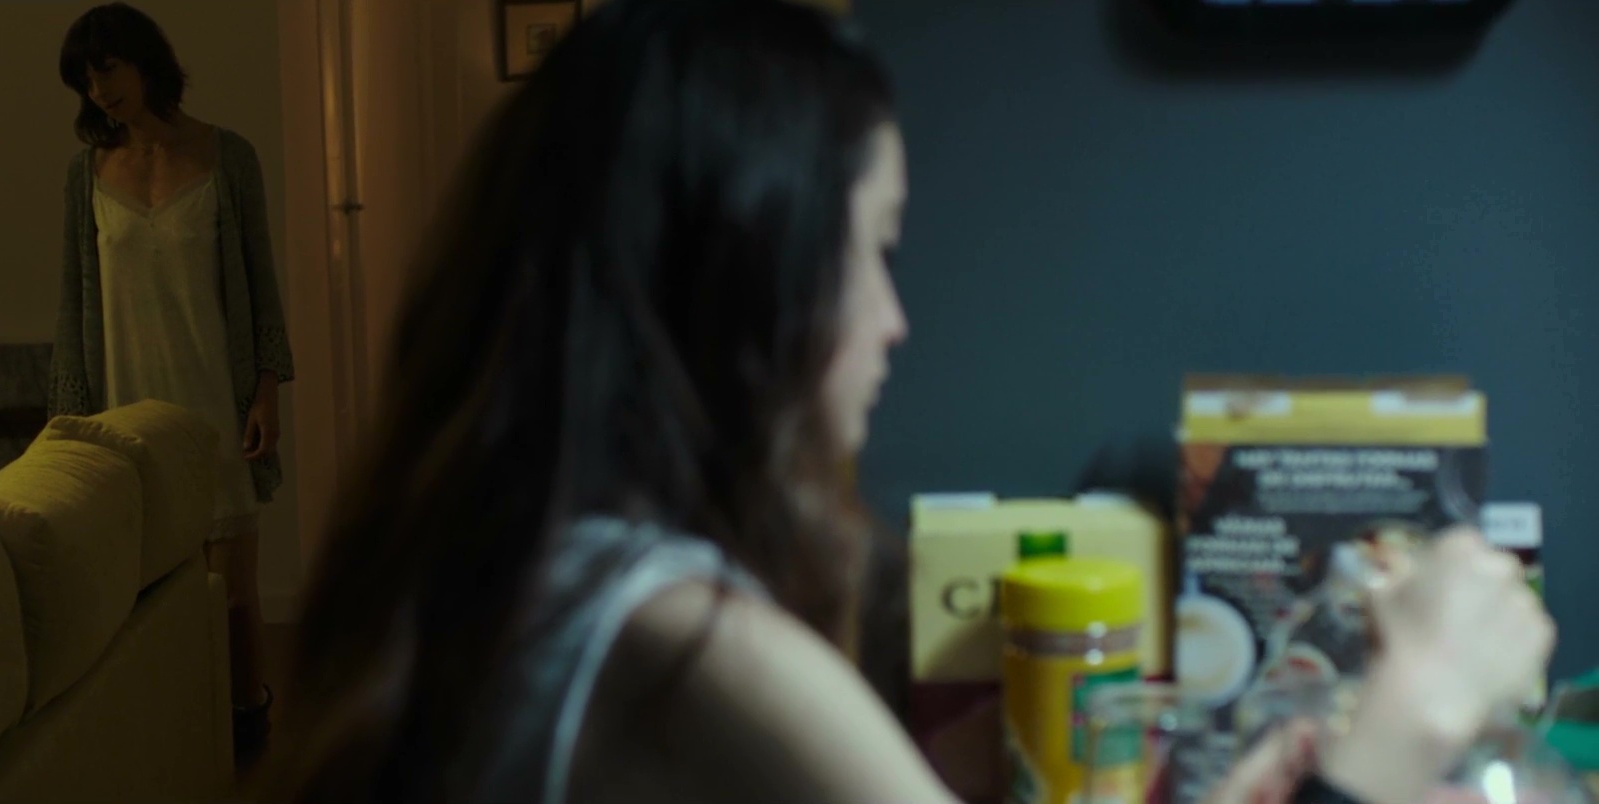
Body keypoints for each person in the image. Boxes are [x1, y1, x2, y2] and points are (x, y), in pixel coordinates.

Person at [258, 1, 1554, 802]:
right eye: (872, 251)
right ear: (753, 278)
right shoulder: (675, 634)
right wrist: (1405, 720)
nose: (895, 319)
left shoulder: (541, 572)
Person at [49, 2, 293, 757]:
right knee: (146, 604)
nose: (99, 92)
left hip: (212, 404)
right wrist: (69, 421)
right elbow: (74, 304)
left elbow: (260, 284)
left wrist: (264, 392)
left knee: (235, 598)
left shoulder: (228, 157)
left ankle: (249, 729)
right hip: (127, 415)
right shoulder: (85, 175)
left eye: (107, 71)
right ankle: (179, 742)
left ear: (145, 60)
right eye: (86, 81)